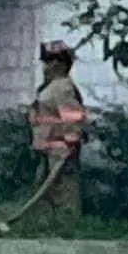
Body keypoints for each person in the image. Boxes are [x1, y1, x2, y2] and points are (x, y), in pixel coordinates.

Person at [27, 40, 88, 221]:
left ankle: (68, 223)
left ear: (58, 64)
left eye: (48, 62)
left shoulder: (62, 87)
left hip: (60, 149)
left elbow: (72, 117)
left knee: (65, 189)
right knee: (46, 191)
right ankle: (48, 225)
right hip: (48, 147)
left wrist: (70, 141)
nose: (45, 67)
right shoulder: (51, 87)